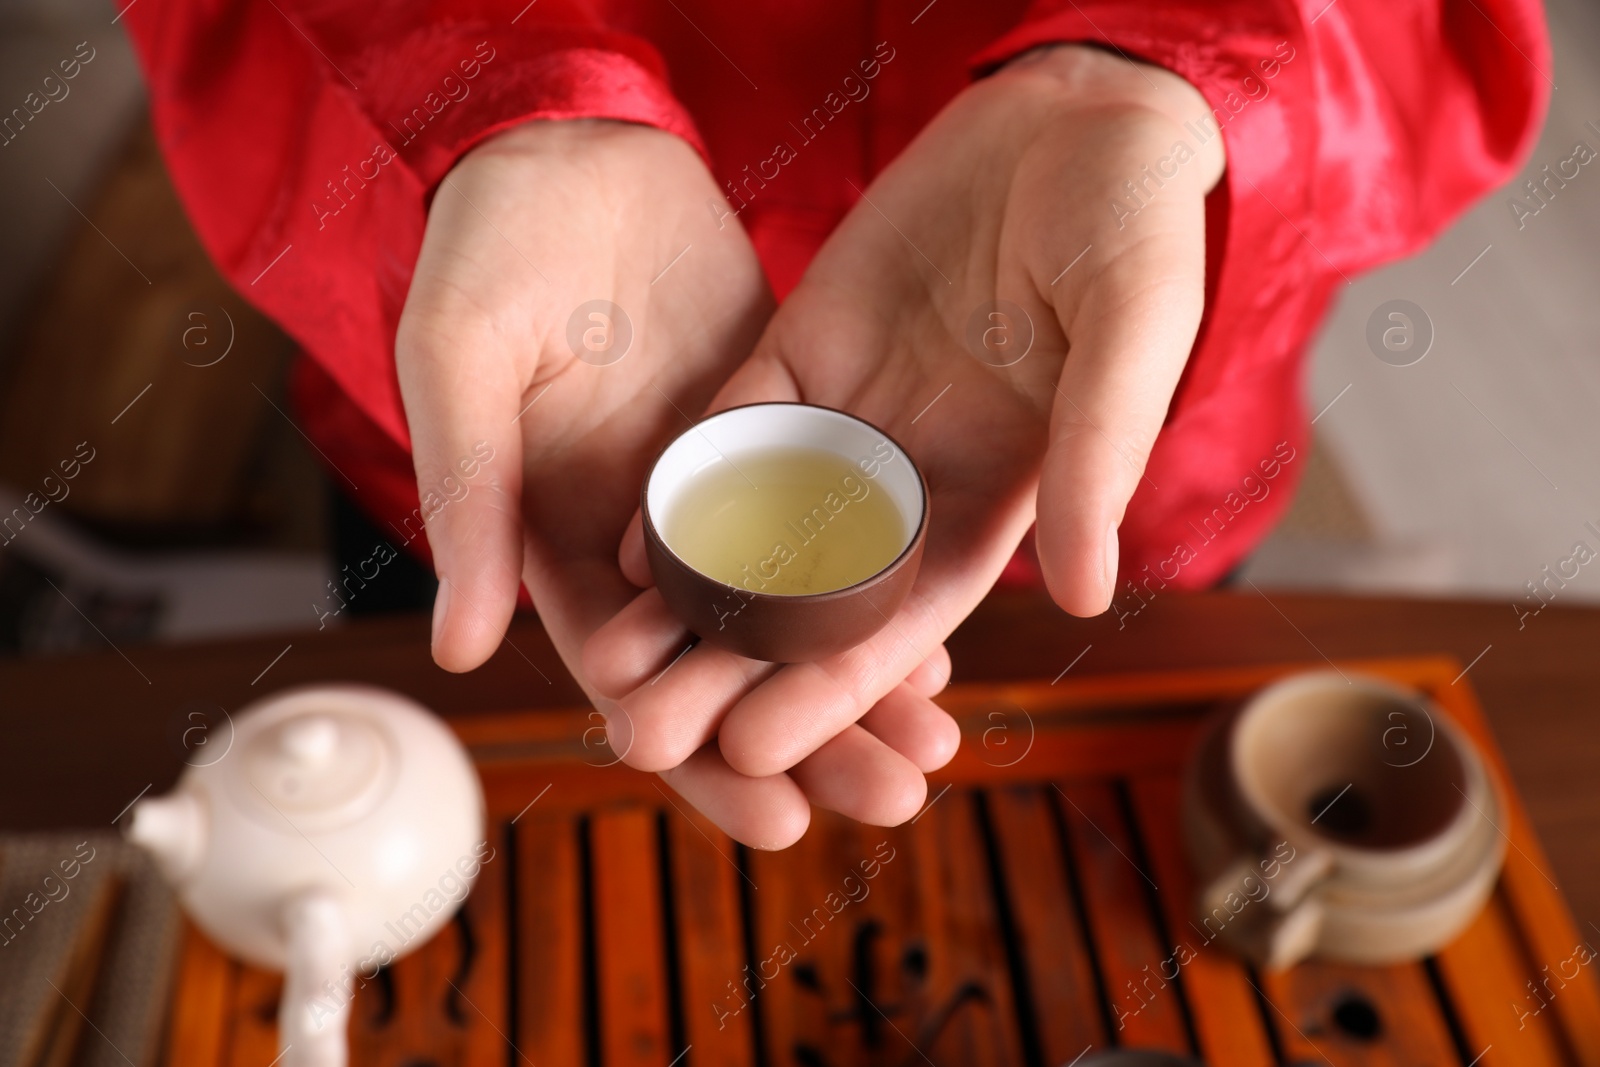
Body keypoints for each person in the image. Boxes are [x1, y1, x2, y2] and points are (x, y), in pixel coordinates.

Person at [124, 0, 1549, 849]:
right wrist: (503, 99)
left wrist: (1173, 58)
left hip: (1113, 431)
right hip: (518, 407)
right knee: (444, 828)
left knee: (1109, 854)